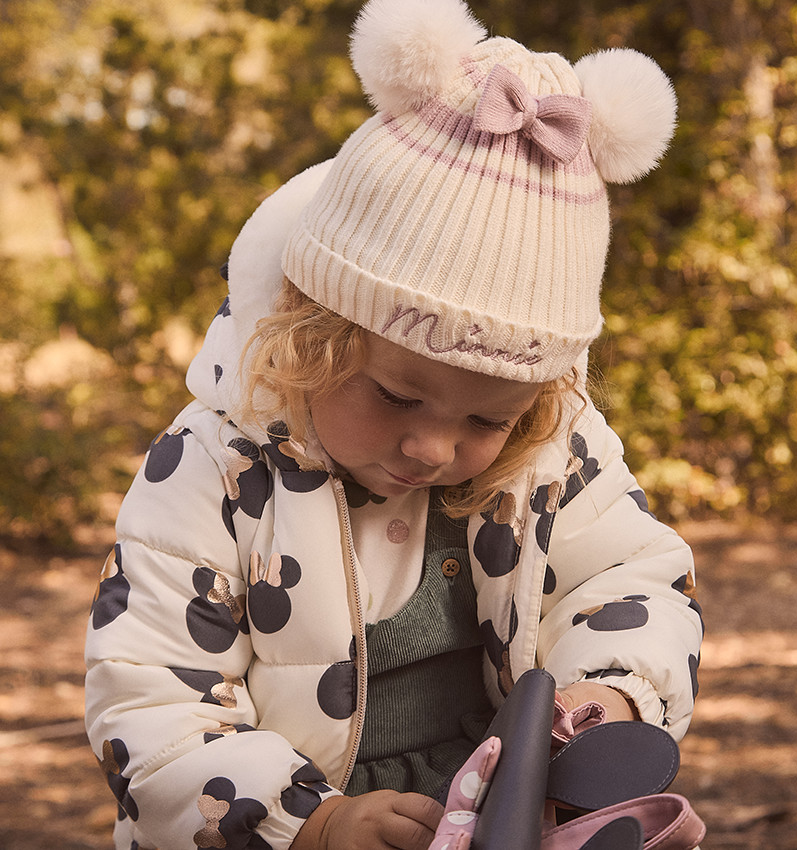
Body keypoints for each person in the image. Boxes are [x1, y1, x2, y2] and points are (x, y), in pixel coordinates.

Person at [85, 0, 703, 848]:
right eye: (396, 397)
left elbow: (630, 579)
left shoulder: (550, 449)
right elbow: (150, 703)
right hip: (289, 821)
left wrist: (608, 695)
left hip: (490, 807)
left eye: (486, 417)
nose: (434, 447)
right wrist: (314, 823)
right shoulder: (213, 472)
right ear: (309, 336)